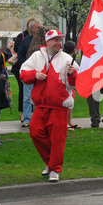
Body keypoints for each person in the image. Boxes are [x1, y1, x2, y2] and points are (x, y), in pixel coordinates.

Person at [20, 30, 77, 182]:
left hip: (59, 106)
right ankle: (50, 163)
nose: (59, 42)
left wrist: (73, 75)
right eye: (55, 40)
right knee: (36, 133)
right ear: (48, 41)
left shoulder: (67, 59)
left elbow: (76, 85)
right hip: (40, 105)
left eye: (60, 40)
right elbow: (23, 73)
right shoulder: (37, 56)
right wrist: (35, 74)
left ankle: (55, 169)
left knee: (57, 140)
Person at [16, 19, 43, 127]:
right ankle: (27, 118)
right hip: (29, 73)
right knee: (27, 97)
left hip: (41, 73)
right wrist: (27, 65)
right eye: (38, 27)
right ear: (32, 29)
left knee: (40, 96)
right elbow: (20, 55)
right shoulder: (26, 41)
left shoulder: (44, 41)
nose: (40, 29)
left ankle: (38, 118)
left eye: (41, 27)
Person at [12, 18, 34, 122]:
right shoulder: (22, 37)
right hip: (21, 68)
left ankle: (31, 114)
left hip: (33, 69)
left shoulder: (40, 38)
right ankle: (24, 114)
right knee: (23, 90)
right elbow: (18, 50)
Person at [63, 40, 80, 131]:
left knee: (70, 103)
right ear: (74, 50)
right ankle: (66, 122)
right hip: (66, 85)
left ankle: (69, 121)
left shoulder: (66, 58)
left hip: (69, 85)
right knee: (67, 103)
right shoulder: (69, 60)